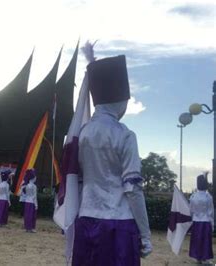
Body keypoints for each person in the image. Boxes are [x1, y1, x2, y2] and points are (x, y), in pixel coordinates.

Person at [71, 51, 152, 265]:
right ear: (119, 100)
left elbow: (76, 181)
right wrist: (145, 234)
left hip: (86, 218)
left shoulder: (81, 135)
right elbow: (133, 189)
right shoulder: (125, 135)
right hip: (119, 224)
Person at [189, 173, 214, 263]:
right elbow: (211, 212)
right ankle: (205, 258)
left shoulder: (193, 196)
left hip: (196, 221)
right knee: (206, 241)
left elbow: (191, 210)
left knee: (197, 240)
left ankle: (197, 258)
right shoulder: (208, 197)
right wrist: (213, 224)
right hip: (206, 221)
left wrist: (192, 219)